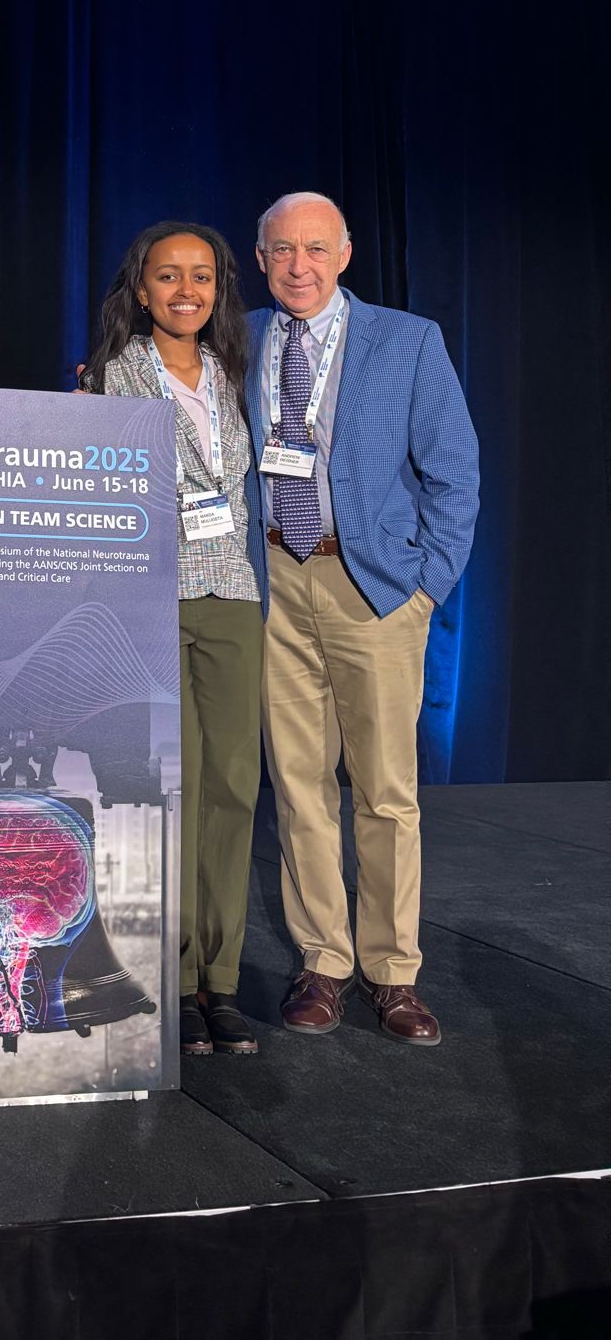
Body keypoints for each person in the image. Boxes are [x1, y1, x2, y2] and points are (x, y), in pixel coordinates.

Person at [249, 192, 478, 1044]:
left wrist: (428, 587)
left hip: (374, 587)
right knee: (299, 785)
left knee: (385, 792)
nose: (299, 266)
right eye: (282, 250)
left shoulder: (407, 340)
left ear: (344, 255)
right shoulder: (242, 337)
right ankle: (323, 962)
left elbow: (455, 471)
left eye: (316, 249)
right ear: (261, 259)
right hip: (273, 580)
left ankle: (393, 973)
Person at [84, 222, 266, 1058]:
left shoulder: (239, 373)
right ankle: (174, 974)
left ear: (219, 288)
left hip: (233, 595)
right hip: (151, 599)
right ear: (141, 288)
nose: (185, 291)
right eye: (168, 276)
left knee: (234, 786)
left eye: (201, 276)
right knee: (176, 790)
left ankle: (220, 982)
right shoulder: (108, 379)